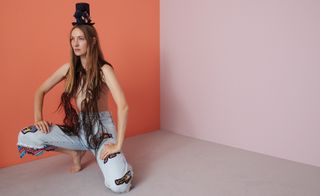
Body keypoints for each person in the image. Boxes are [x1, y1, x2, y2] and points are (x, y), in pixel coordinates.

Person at [17, 3, 133, 193]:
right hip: (78, 129)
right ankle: (74, 151)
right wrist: (38, 118)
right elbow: (40, 90)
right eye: (72, 39)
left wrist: (118, 144)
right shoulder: (68, 69)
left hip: (101, 131)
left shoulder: (104, 69)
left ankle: (107, 158)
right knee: (27, 135)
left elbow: (123, 106)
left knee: (120, 184)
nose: (75, 43)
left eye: (81, 39)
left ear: (93, 41)